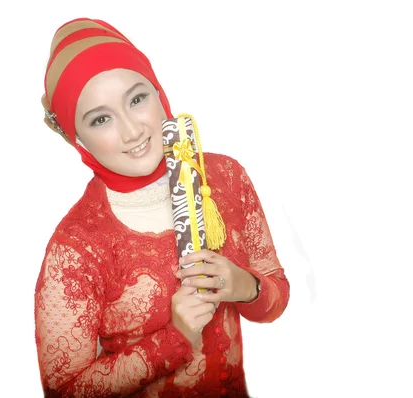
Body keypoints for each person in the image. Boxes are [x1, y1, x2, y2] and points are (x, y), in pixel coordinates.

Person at [34, 17, 290, 397]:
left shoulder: (223, 178)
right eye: (101, 119)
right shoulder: (76, 248)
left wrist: (244, 286)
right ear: (78, 138)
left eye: (137, 99)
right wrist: (175, 338)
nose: (132, 131)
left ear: (159, 92)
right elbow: (66, 390)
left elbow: (275, 297)